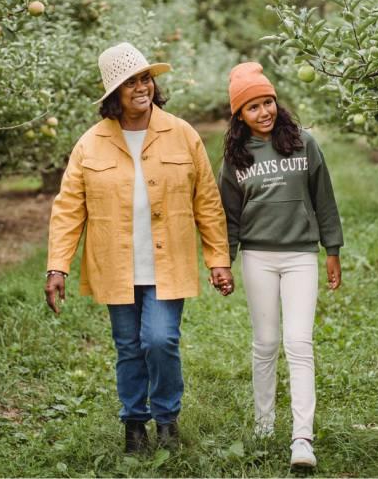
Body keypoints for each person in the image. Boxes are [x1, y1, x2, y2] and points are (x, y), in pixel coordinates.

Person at [44, 42, 234, 454]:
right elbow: (68, 209)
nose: (140, 88)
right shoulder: (91, 144)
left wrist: (218, 258)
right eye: (129, 82)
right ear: (114, 93)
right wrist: (57, 267)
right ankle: (134, 427)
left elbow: (207, 201)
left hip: (170, 262)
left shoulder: (182, 134)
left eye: (145, 78)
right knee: (129, 347)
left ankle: (166, 420)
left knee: (160, 340)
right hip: (116, 266)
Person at [217, 62, 343, 469]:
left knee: (299, 343)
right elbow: (229, 216)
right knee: (266, 344)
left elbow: (324, 199)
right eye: (252, 107)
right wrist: (225, 261)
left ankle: (302, 439)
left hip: (300, 256)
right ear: (240, 115)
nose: (264, 112)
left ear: (277, 102)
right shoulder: (236, 158)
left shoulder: (303, 143)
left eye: (268, 102)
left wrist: (332, 250)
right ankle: (264, 424)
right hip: (258, 258)